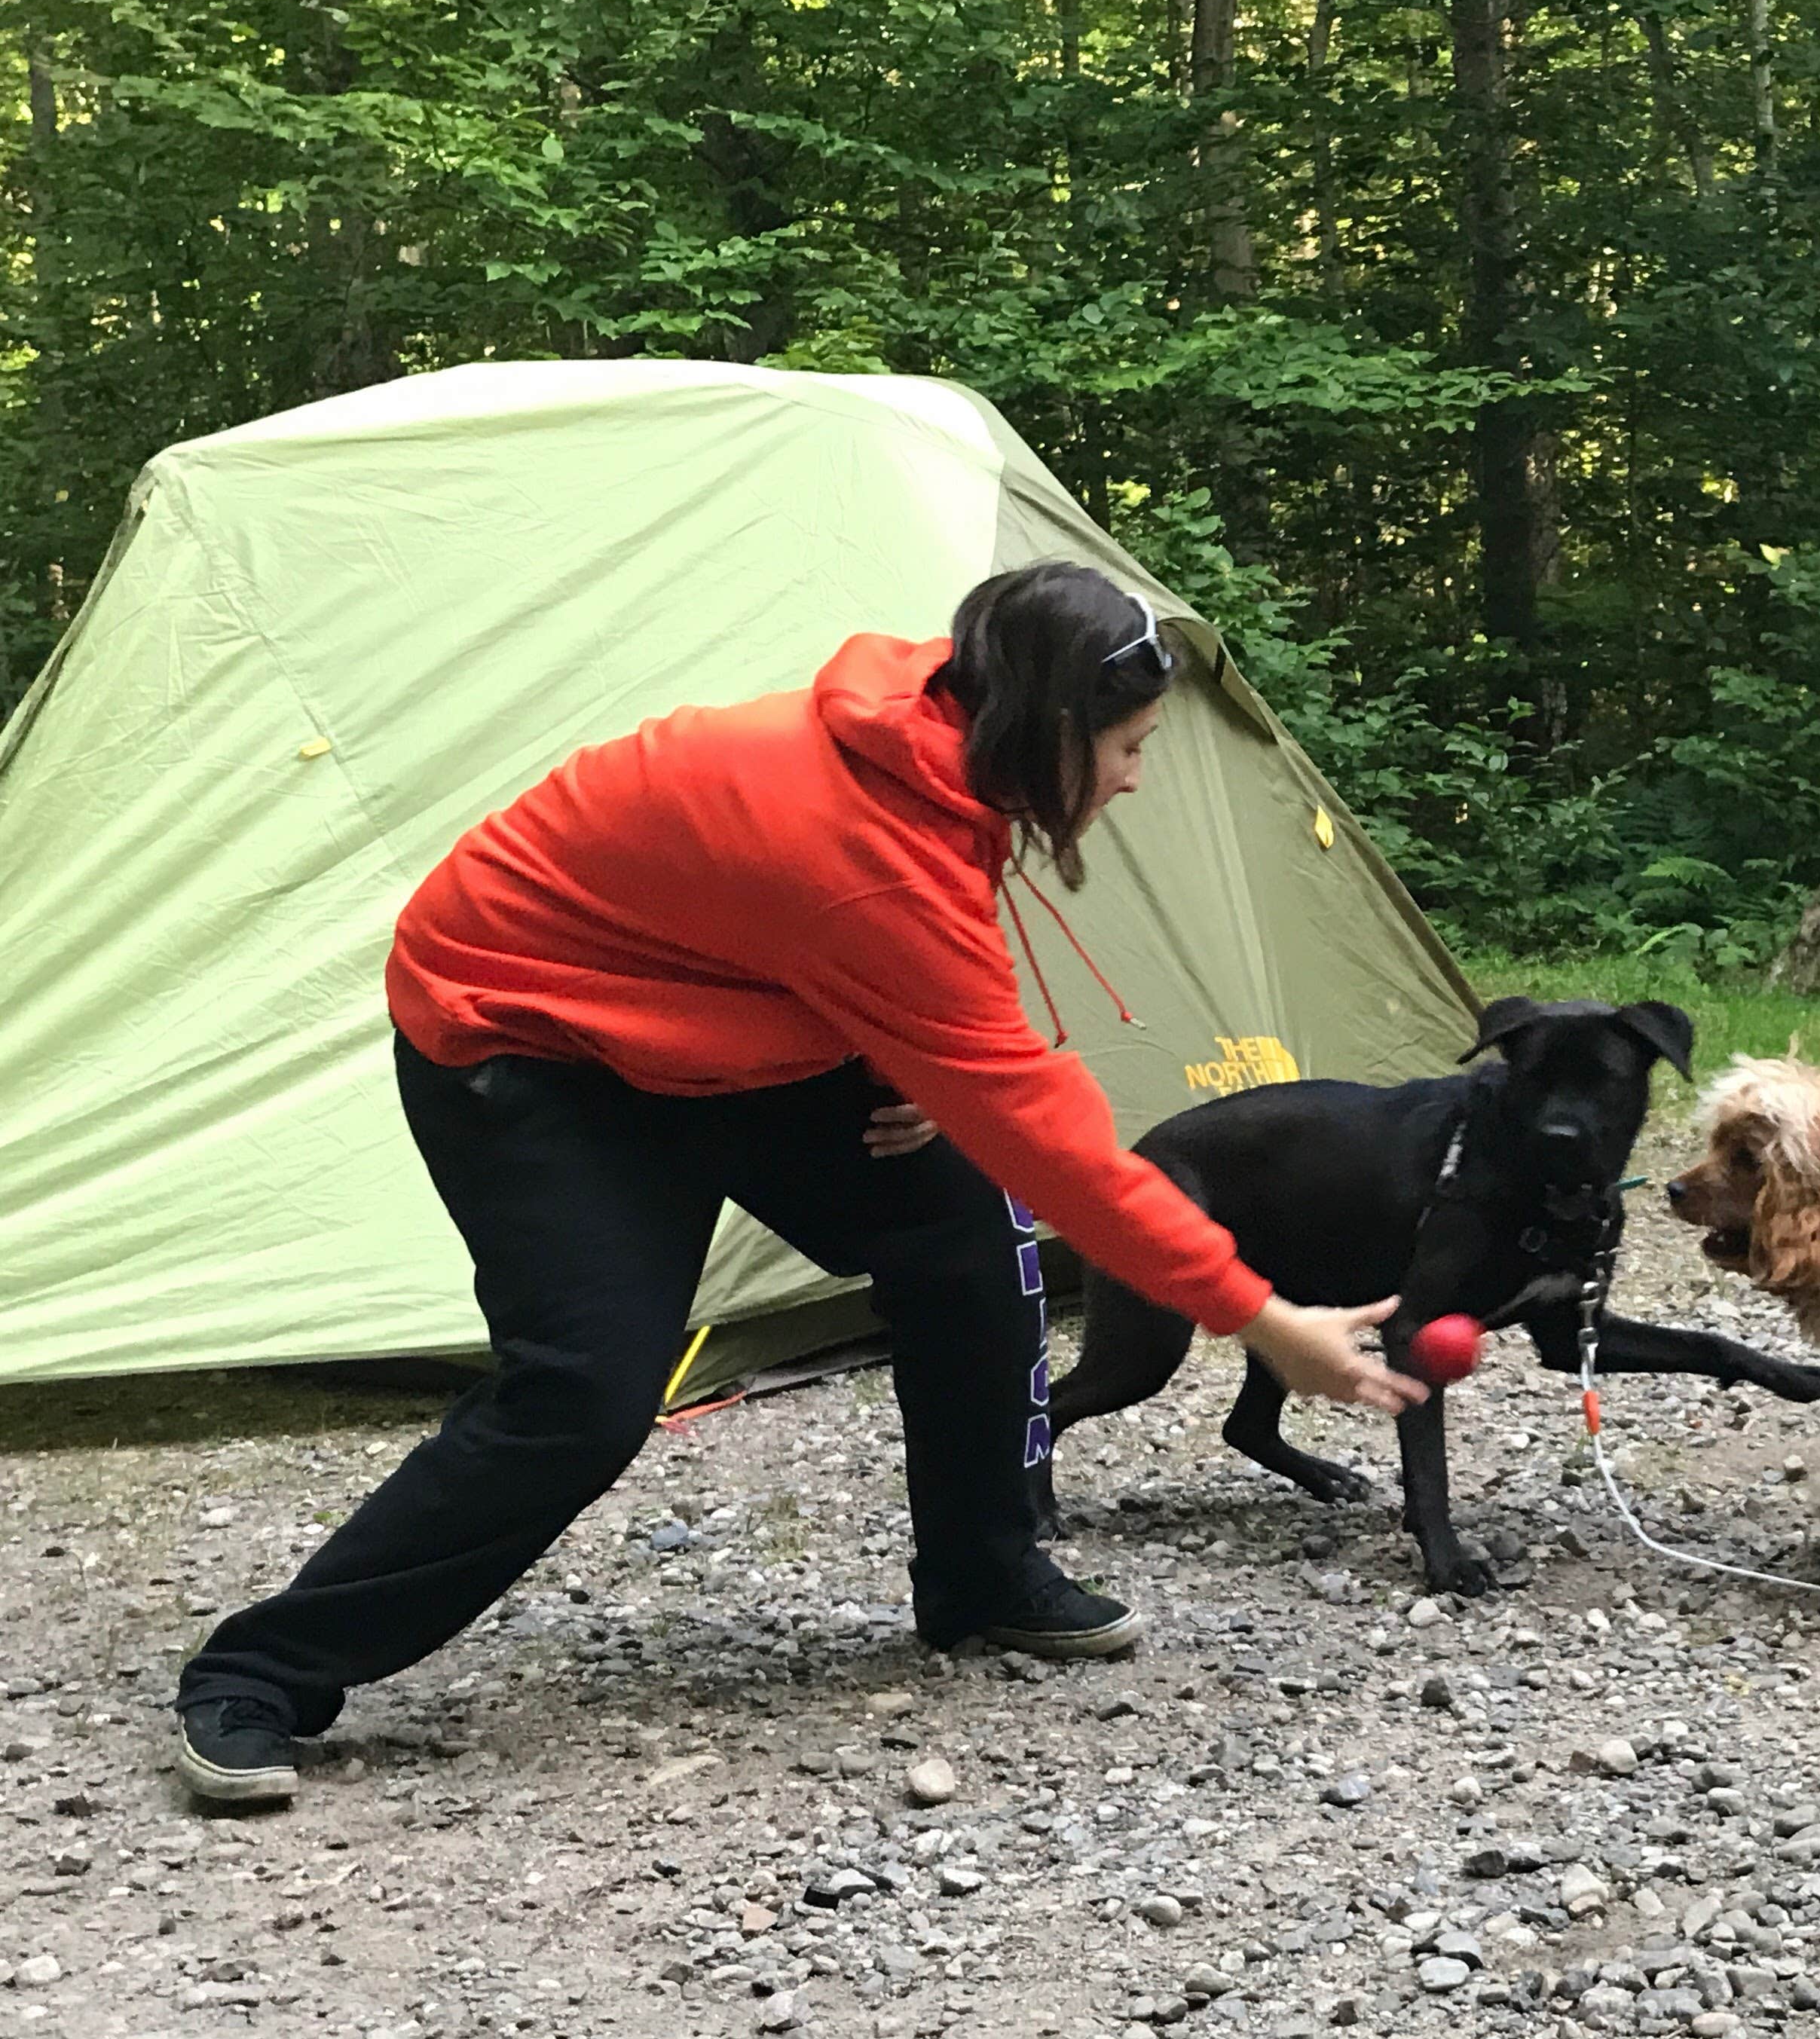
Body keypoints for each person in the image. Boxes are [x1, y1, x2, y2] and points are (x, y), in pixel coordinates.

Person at [173, 562, 1423, 1807]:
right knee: (584, 1394)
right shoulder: (865, 849)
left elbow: (813, 940)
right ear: (1051, 731)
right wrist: (1262, 1317)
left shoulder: (948, 733)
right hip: (526, 1034)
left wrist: (909, 1051)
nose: (1138, 776)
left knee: (965, 1234)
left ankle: (984, 1575)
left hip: (721, 1018)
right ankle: (262, 1672)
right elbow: (1048, 1133)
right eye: (1131, 746)